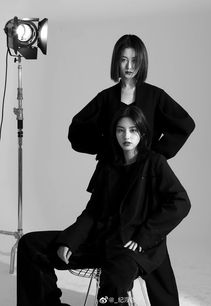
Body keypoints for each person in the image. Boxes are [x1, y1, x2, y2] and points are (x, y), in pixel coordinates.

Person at [17, 106, 191, 306]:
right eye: (120, 130)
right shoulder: (108, 164)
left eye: (133, 130)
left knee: (115, 280)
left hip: (130, 247)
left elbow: (181, 202)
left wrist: (144, 236)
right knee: (30, 244)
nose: (126, 135)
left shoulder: (155, 163)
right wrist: (71, 240)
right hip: (100, 239)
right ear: (114, 133)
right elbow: (92, 212)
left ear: (142, 133)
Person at [68, 34, 195, 304]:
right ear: (116, 62)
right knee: (117, 242)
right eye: (123, 60)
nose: (129, 66)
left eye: (134, 60)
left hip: (145, 180)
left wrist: (156, 156)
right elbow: (76, 131)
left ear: (142, 62)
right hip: (114, 181)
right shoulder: (106, 98)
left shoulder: (155, 96)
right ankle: (112, 292)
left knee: (153, 247)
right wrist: (106, 148)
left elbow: (185, 124)